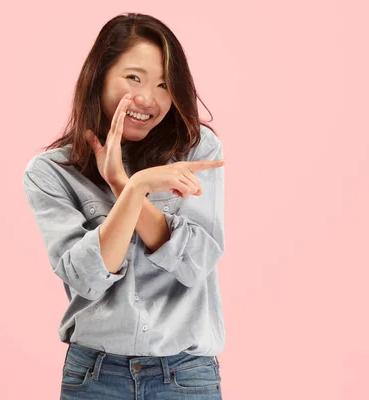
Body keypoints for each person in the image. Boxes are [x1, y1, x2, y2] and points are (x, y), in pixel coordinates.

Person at [22, 12, 226, 399]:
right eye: (134, 78)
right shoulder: (50, 173)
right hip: (96, 377)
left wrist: (123, 182)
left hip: (185, 376)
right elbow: (87, 278)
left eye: (164, 84)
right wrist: (132, 191)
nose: (148, 99)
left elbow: (196, 263)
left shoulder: (197, 151)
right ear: (99, 75)